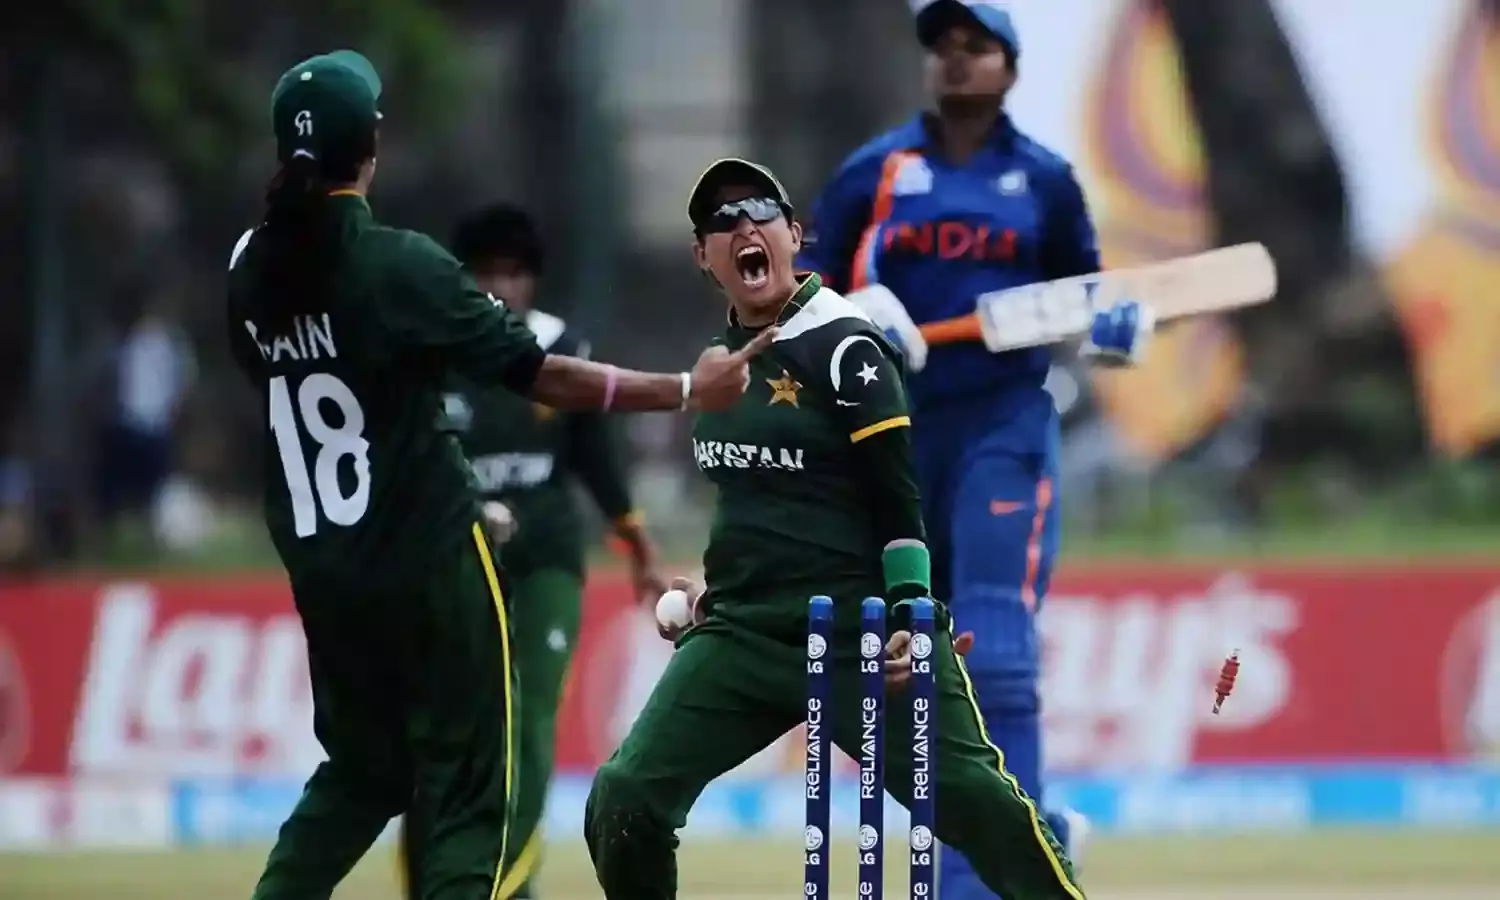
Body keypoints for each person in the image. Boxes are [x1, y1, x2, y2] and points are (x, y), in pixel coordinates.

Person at [226, 51, 771, 900]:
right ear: (371, 144)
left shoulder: (247, 267)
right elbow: (545, 375)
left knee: (363, 771)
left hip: (324, 567)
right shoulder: (401, 265)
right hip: (429, 560)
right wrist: (684, 389)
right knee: (469, 788)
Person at [582, 157, 1086, 900]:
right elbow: (756, 501)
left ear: (793, 234)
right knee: (626, 797)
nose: (743, 227)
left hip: (861, 632)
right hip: (744, 633)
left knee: (979, 806)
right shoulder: (720, 368)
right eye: (722, 220)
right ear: (702, 256)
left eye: (760, 211)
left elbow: (897, 501)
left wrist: (911, 616)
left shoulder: (847, 346)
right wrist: (714, 588)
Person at [796, 3, 1153, 897]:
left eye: (977, 48)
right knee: (906, 655)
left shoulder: (1045, 181)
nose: (956, 61)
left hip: (1003, 425)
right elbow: (799, 302)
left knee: (991, 644)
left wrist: (1111, 331)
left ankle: (991, 873)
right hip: (891, 436)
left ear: (1010, 69)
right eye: (943, 49)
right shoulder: (874, 172)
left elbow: (1080, 300)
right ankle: (1022, 831)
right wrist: (852, 318)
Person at [396, 202, 668, 900]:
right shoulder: (434, 351)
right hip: (452, 562)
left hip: (546, 557)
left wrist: (639, 547)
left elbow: (598, 460)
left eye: (514, 273)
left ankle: (507, 886)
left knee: (529, 721)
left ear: (532, 280)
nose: (500, 287)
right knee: (447, 733)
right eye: (485, 273)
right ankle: (437, 882)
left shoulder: (559, 348)